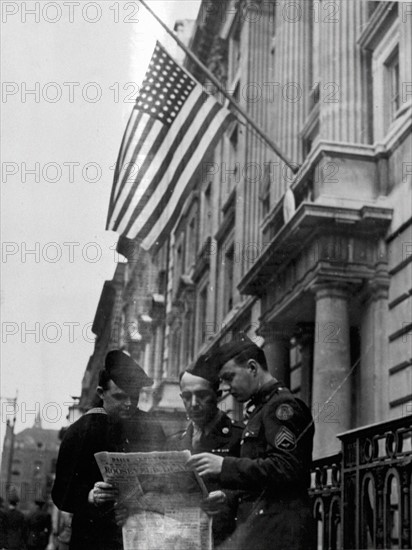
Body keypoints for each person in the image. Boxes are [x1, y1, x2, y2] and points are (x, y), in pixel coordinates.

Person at [187, 338, 315, 550]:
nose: (227, 388)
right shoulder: (262, 409)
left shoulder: (282, 406)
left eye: (229, 377)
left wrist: (224, 466)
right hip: (262, 529)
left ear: (253, 368)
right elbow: (259, 478)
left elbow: (288, 467)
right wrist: (225, 497)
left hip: (280, 533)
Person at [52, 349, 165, 550]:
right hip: (94, 539)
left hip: (142, 536)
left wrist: (139, 504)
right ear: (100, 393)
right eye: (120, 397)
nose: (129, 404)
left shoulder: (150, 425)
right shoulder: (80, 432)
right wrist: (90, 496)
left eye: (134, 396)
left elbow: (166, 481)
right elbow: (61, 493)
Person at [168, 354, 244, 546]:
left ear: (217, 395)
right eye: (186, 397)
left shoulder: (239, 437)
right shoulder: (174, 443)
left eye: (201, 395)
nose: (193, 403)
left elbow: (257, 488)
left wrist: (227, 498)